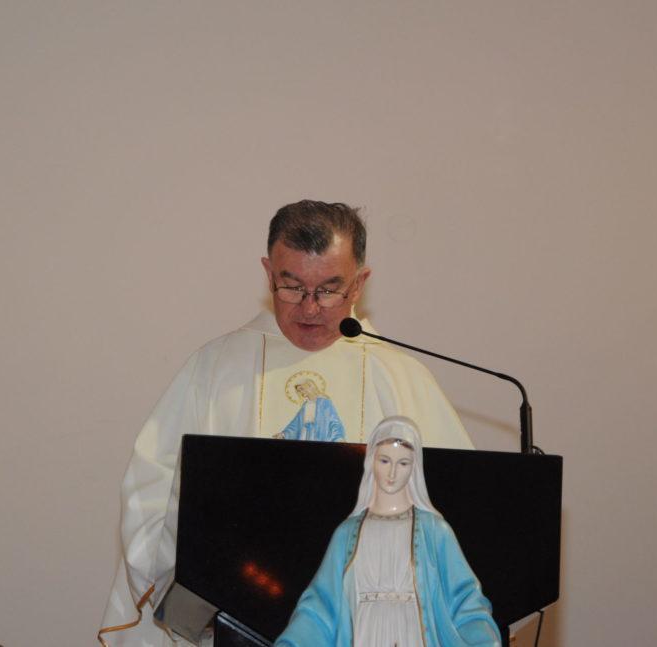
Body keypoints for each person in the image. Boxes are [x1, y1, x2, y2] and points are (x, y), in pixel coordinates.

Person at [98, 200, 474, 646]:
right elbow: (152, 492)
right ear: (268, 274)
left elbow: (457, 510)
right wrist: (194, 595)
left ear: (360, 282)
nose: (309, 309)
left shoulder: (400, 377)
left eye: (329, 289)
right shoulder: (215, 370)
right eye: (292, 287)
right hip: (238, 621)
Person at [275, 416, 500, 647]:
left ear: (415, 467)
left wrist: (482, 639)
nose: (392, 473)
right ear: (371, 460)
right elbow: (320, 607)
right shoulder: (347, 534)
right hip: (364, 636)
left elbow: (465, 600)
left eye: (403, 463)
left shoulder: (434, 531)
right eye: (384, 460)